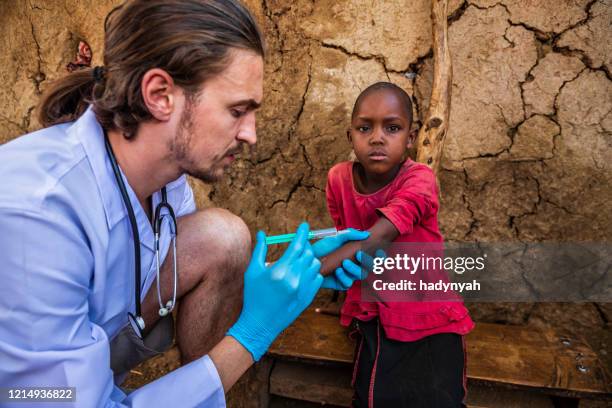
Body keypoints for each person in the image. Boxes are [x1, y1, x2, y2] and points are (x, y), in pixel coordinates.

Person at [0, 1, 370, 406]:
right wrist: (253, 333)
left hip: (78, 373)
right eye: (237, 111)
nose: (251, 134)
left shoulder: (167, 181)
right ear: (160, 95)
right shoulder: (38, 213)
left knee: (223, 236)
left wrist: (297, 273)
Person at [320, 82, 475, 407]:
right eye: (365, 127)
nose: (377, 137)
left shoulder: (419, 180)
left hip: (428, 313)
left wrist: (305, 271)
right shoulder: (338, 179)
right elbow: (343, 240)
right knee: (371, 398)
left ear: (410, 137)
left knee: (440, 400)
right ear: (351, 136)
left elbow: (377, 238)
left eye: (392, 128)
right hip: (375, 312)